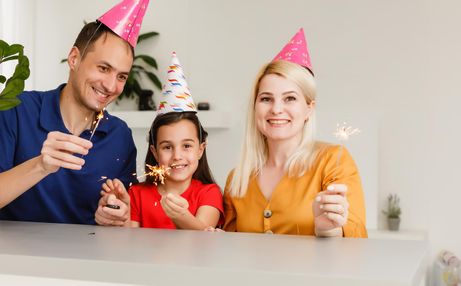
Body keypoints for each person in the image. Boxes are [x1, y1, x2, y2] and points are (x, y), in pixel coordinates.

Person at [0, 0, 154, 225]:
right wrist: (40, 166)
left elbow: (127, 220)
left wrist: (117, 216)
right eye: (103, 68)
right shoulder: (17, 110)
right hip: (18, 260)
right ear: (74, 58)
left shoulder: (119, 135)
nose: (111, 85)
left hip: (91, 261)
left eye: (121, 76)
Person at [223, 28, 367, 237]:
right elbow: (229, 249)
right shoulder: (237, 178)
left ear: (309, 108)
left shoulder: (333, 161)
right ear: (255, 107)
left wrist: (328, 228)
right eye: (266, 99)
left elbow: (356, 243)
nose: (276, 109)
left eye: (290, 98)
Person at [97, 52, 223, 229]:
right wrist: (121, 212)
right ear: (155, 152)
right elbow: (127, 242)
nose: (177, 155)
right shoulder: (137, 194)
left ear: (201, 149)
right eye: (167, 147)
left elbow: (204, 237)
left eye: (187, 145)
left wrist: (181, 216)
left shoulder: (209, 193)